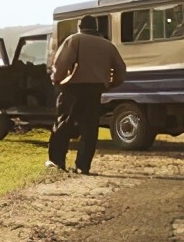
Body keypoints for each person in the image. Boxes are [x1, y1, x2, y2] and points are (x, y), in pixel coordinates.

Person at [45, 14, 127, 176]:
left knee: (64, 124)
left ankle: (57, 161)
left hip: (73, 88)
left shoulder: (74, 40)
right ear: (96, 27)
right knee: (89, 129)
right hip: (95, 90)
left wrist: (57, 80)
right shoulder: (108, 45)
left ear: (79, 26)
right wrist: (110, 84)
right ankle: (83, 165)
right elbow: (121, 70)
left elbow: (62, 63)